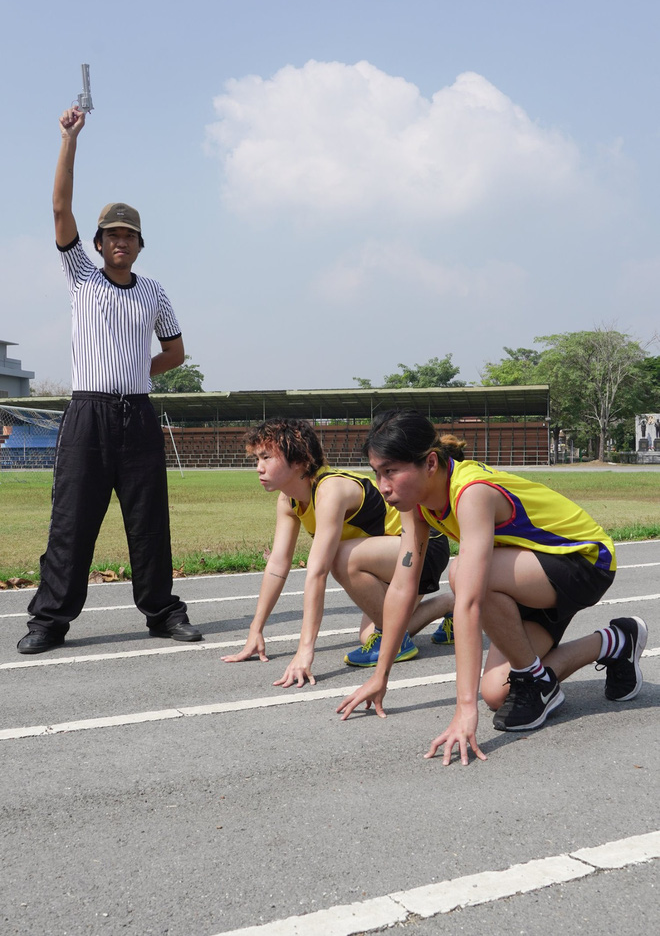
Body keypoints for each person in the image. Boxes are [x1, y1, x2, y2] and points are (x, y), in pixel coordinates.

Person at [337, 410, 647, 766]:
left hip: (583, 560)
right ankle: (615, 641)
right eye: (376, 473)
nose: (383, 485)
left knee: (463, 575)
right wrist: (381, 675)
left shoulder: (471, 493)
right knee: (497, 692)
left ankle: (534, 680)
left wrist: (465, 711)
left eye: (391, 471)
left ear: (431, 463)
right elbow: (403, 587)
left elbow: (467, 601)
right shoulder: (416, 503)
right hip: (524, 578)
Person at [17, 107, 201, 654]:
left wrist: (136, 370)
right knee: (73, 520)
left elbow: (176, 351)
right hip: (88, 413)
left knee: (148, 520)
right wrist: (69, 139)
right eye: (111, 235)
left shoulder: (155, 293)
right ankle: (49, 621)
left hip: (137, 413)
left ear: (140, 245)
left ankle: (163, 611)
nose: (120, 242)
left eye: (130, 236)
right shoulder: (81, 278)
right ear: (97, 243)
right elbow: (59, 206)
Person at [221, 418, 454, 685]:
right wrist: (255, 630)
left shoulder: (330, 490)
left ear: (298, 460)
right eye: (256, 459)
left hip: (423, 547)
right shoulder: (288, 500)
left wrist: (304, 652)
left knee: (340, 556)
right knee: (372, 635)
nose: (258, 467)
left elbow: (317, 572)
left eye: (266, 457)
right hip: (387, 559)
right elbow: (277, 564)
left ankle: (398, 638)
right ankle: (450, 605)